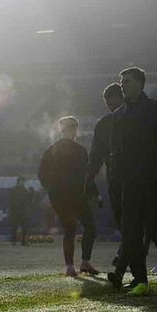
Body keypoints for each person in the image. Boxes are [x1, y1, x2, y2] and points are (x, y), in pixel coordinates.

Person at [107, 68, 157, 295]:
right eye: (121, 81)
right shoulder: (119, 115)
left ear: (139, 83)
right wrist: (116, 174)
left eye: (126, 81)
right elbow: (115, 150)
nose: (122, 85)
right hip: (129, 182)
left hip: (154, 180)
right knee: (131, 232)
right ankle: (141, 281)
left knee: (155, 229)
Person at [38, 116, 98, 276]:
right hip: (74, 195)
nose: (72, 130)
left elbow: (42, 174)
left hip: (63, 196)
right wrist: (94, 193)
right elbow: (87, 175)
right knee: (85, 226)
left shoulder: (52, 149)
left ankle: (73, 266)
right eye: (71, 128)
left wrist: (52, 191)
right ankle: (79, 264)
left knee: (72, 229)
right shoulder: (79, 150)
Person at [85, 83, 125, 266]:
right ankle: (126, 252)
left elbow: (96, 155)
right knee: (123, 218)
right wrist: (89, 177)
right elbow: (96, 155)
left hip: (126, 177)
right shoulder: (104, 123)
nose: (111, 107)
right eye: (108, 105)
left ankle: (124, 258)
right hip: (117, 177)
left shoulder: (133, 119)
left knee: (129, 218)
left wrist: (89, 177)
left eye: (112, 103)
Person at [7, 177, 32, 245]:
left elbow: (29, 200)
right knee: (14, 226)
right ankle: (13, 240)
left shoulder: (25, 190)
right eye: (21, 181)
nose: (22, 183)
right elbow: (10, 200)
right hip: (15, 210)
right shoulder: (13, 190)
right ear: (18, 182)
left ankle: (23, 241)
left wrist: (31, 193)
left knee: (25, 227)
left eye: (23, 182)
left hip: (23, 210)